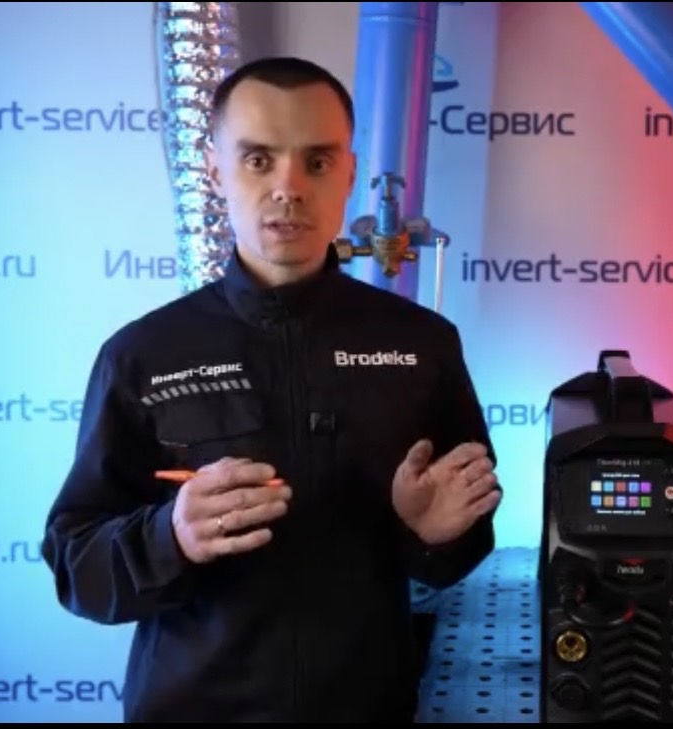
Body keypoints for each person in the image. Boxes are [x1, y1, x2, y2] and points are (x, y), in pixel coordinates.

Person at [40, 56, 502, 723]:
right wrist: (171, 534)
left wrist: (429, 533)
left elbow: (463, 540)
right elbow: (75, 563)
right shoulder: (142, 354)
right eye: (258, 160)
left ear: (349, 173)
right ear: (215, 169)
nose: (288, 188)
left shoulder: (423, 344)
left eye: (317, 161)